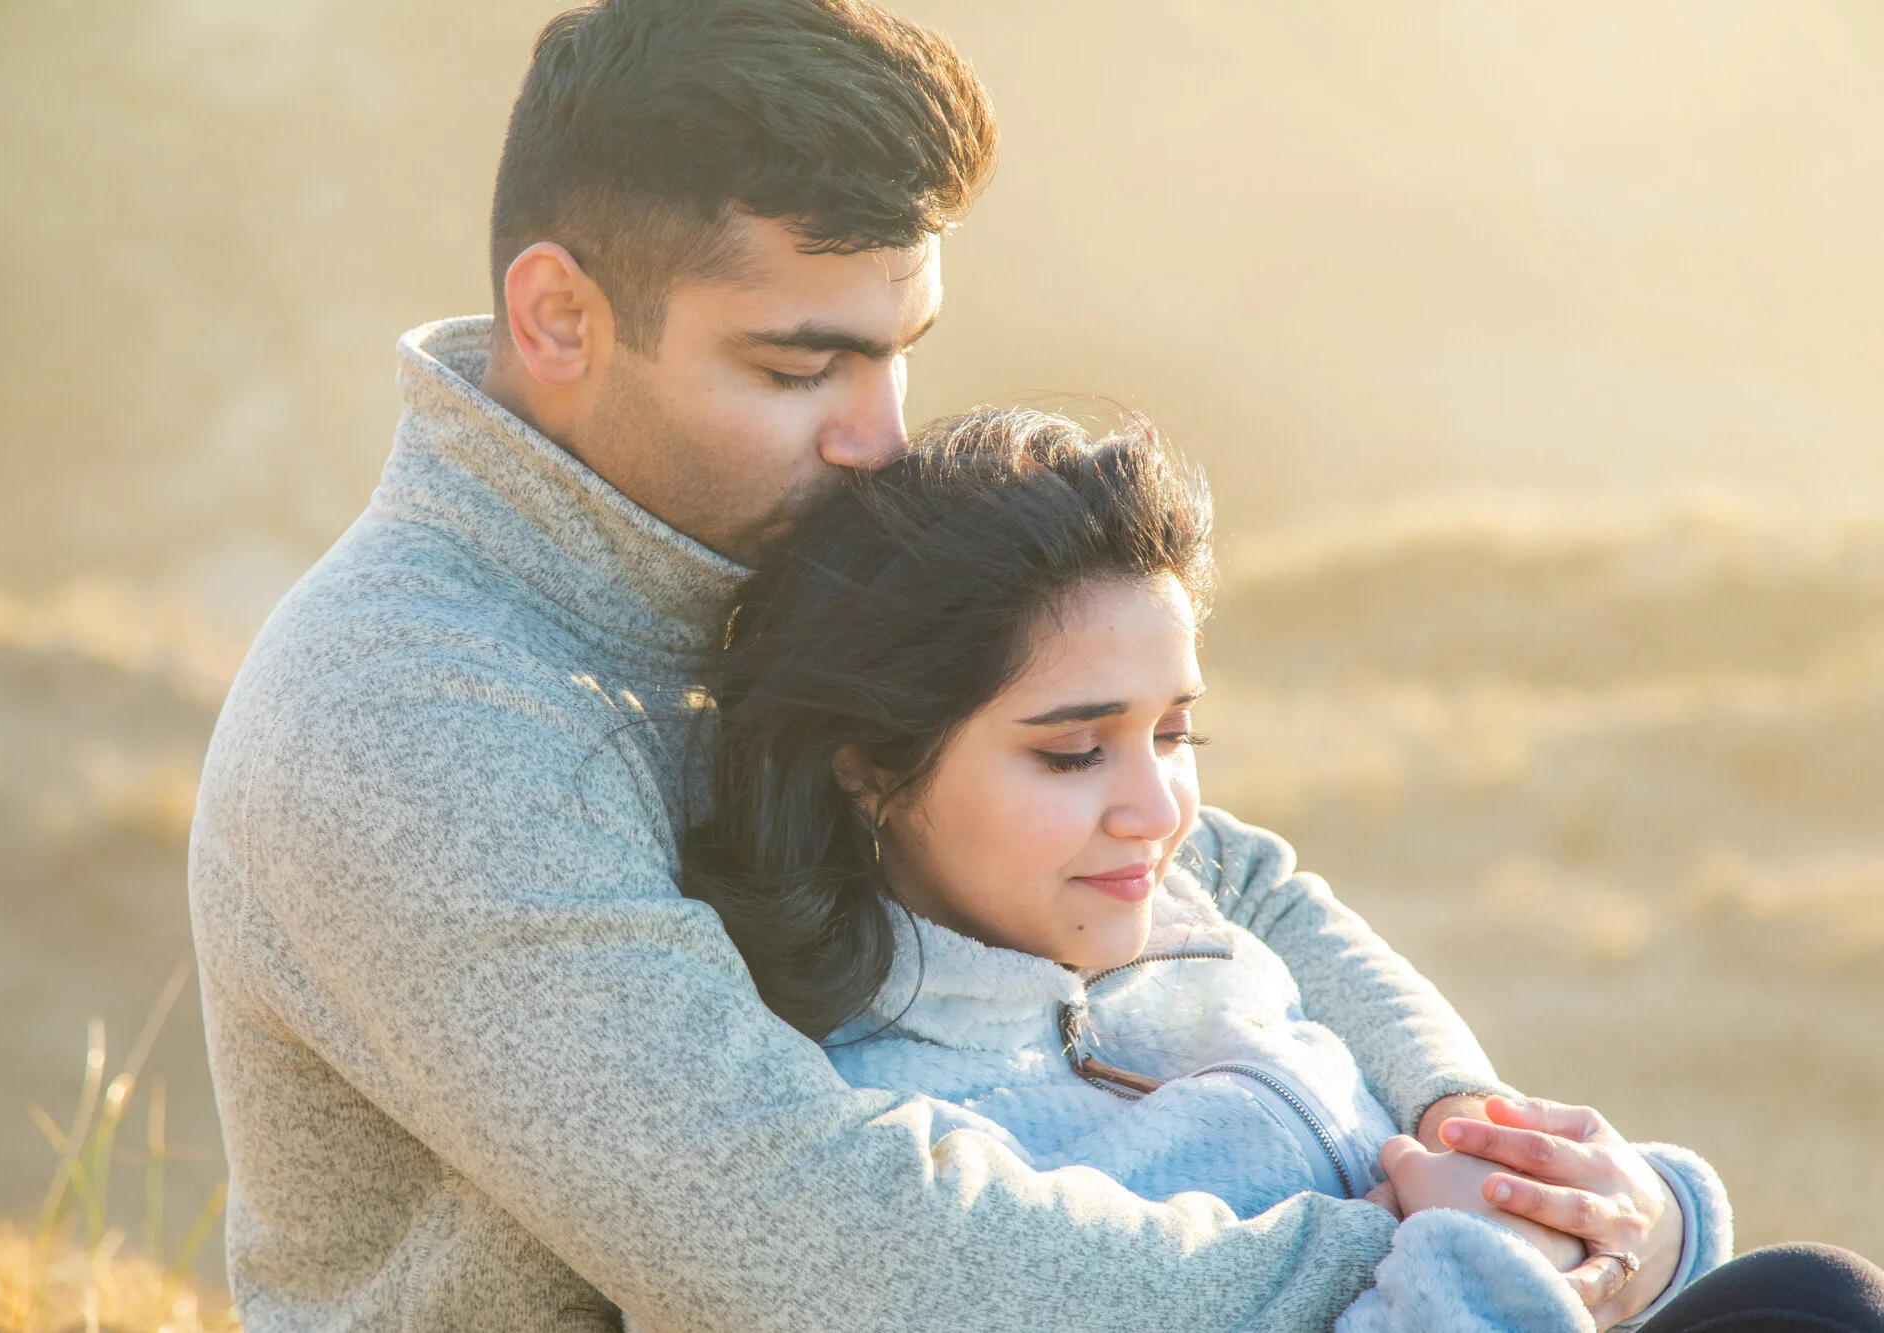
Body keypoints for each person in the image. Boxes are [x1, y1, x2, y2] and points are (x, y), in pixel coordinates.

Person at [190, 1, 1683, 1327]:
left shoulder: (729, 545)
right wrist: (1417, 1254)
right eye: (801, 366)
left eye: (899, 350)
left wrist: (1482, 1134)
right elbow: (815, 1246)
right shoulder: (404, 715)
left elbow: (1220, 875)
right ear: (559, 317)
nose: (881, 436)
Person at [678, 404, 1884, 1333]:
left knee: (1813, 1296)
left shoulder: (1188, 930)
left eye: (1173, 734)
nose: (1157, 810)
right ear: (868, 771)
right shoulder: (901, 1136)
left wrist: (1637, 1220)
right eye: (1071, 753)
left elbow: (1531, 1211)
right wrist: (1485, 1252)